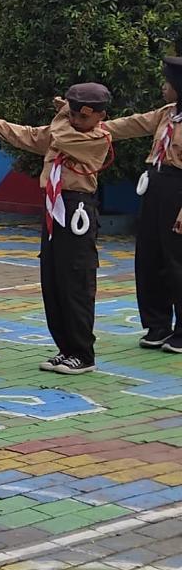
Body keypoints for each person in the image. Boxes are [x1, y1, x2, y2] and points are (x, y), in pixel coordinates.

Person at [0, 84, 113, 375]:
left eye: (83, 116)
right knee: (53, 279)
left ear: (100, 116)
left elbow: (58, 135)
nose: (76, 121)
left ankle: (82, 352)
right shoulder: (63, 129)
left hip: (77, 209)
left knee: (76, 281)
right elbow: (28, 135)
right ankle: (66, 347)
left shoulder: (96, 137)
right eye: (74, 115)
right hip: (54, 206)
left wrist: (63, 112)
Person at [103, 59, 182, 352]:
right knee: (149, 256)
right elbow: (132, 124)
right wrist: (92, 124)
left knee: (177, 261)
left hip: (178, 191)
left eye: (168, 82)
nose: (163, 87)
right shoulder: (167, 113)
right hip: (155, 186)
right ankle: (157, 324)